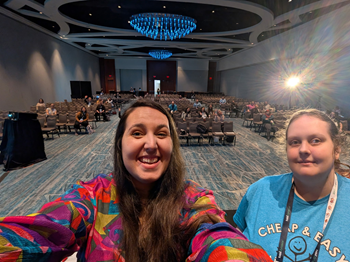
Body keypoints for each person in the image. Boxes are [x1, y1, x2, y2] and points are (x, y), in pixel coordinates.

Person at [0, 100, 272, 262]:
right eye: (138, 133)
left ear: (173, 145)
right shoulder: (93, 195)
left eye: (162, 134)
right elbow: (42, 230)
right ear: (120, 144)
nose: (151, 144)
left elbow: (218, 238)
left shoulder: (194, 200)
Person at [234, 109, 350, 262]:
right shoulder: (261, 190)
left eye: (315, 140)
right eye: (295, 142)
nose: (303, 149)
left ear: (336, 150)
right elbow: (234, 246)